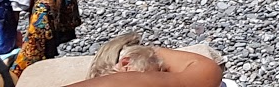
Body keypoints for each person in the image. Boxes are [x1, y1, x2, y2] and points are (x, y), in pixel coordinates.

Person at [83, 33, 221, 87]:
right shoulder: (128, 80)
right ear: (126, 64)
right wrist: (150, 52)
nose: (165, 77)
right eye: (160, 72)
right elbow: (206, 70)